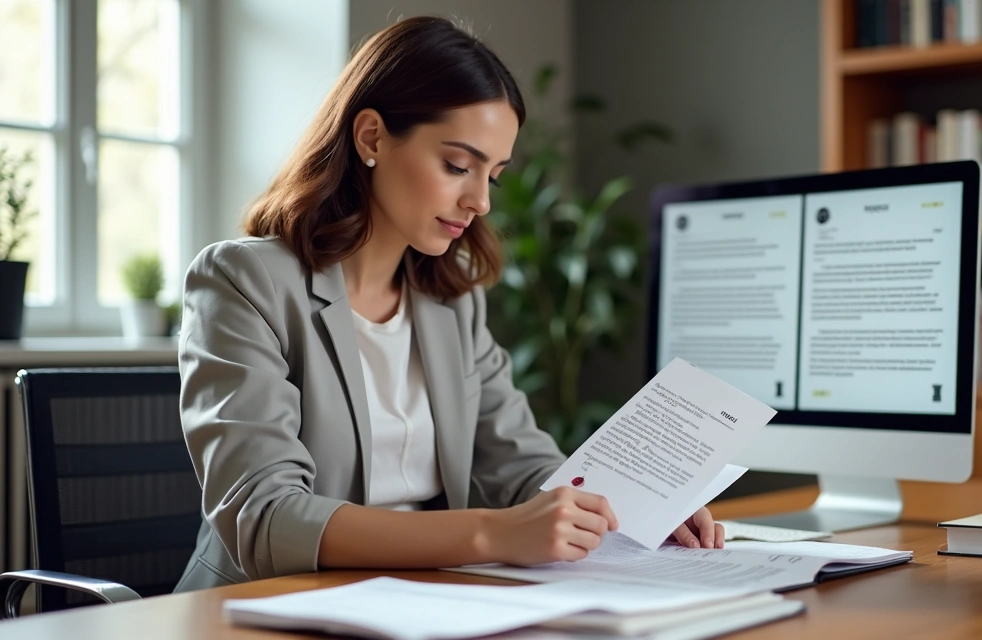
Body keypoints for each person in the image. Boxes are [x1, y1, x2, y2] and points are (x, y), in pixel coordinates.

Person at [174, 16, 724, 592]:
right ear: (371, 138)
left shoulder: (451, 301)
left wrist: (632, 514)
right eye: (458, 166)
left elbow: (521, 467)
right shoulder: (244, 280)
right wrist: (490, 534)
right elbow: (266, 519)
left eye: (495, 175)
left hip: (425, 599)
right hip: (262, 607)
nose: (481, 200)